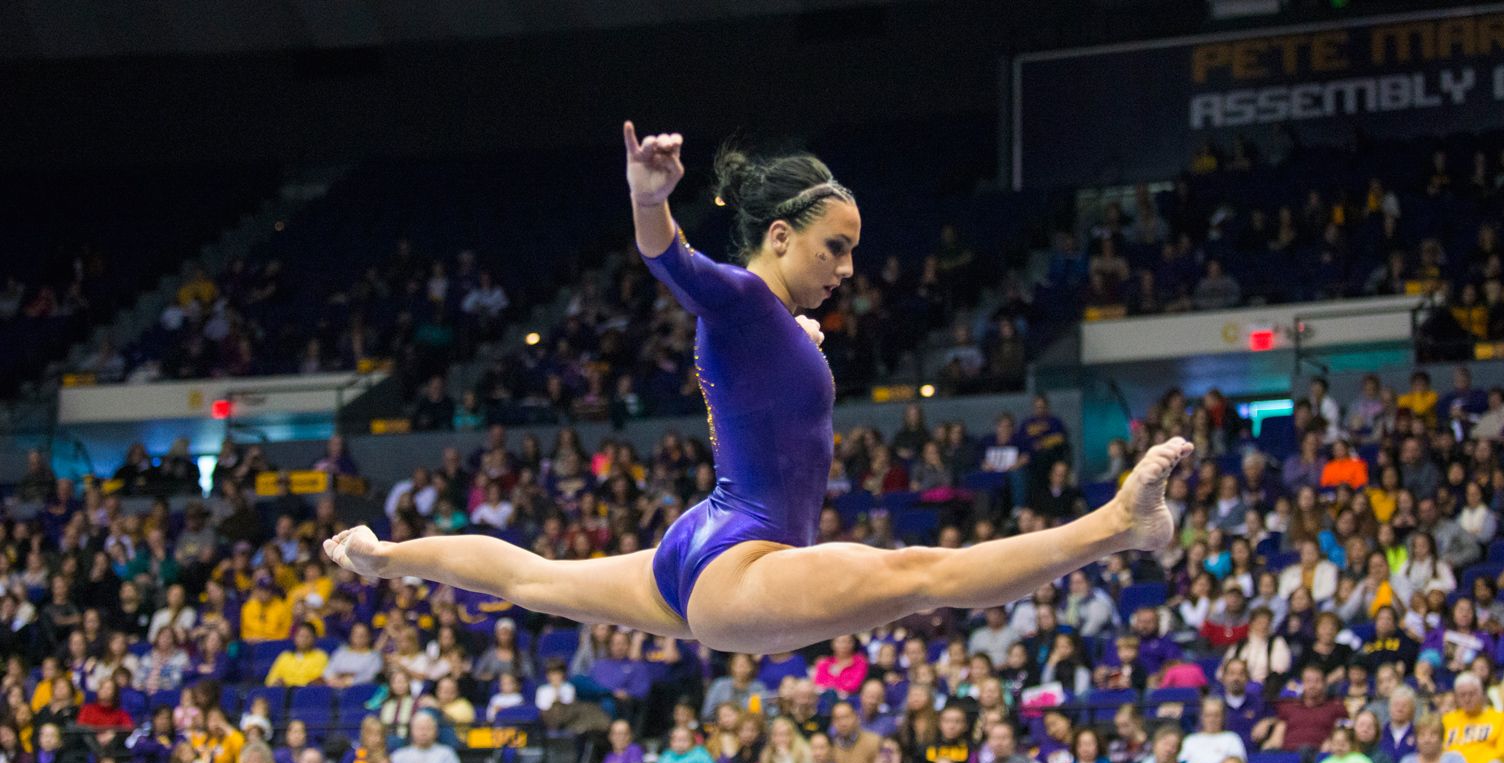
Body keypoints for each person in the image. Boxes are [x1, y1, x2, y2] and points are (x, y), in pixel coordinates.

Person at [322, 122, 1193, 656]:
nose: (849, 270)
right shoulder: (741, 299)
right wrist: (648, 197)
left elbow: (761, 375)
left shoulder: (767, 321)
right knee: (926, 574)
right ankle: (1119, 525)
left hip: (704, 541)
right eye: (835, 249)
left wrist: (797, 337)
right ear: (780, 236)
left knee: (538, 580)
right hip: (744, 563)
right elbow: (670, 261)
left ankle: (385, 556)